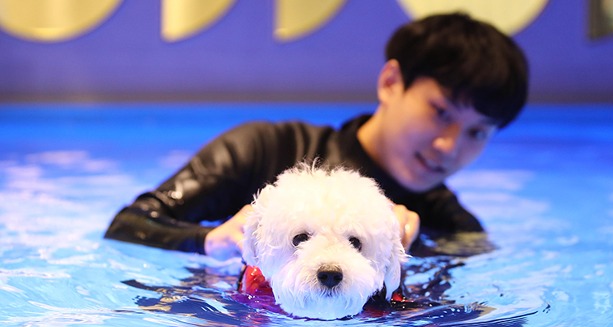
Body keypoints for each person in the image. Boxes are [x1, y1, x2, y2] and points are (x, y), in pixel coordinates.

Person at [104, 12, 529, 258]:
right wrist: (214, 240)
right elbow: (129, 226)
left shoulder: (453, 230)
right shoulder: (263, 151)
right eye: (440, 112)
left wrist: (401, 269)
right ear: (391, 82)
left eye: (477, 132)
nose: (450, 146)